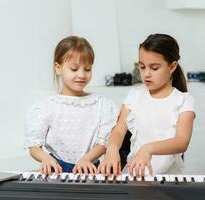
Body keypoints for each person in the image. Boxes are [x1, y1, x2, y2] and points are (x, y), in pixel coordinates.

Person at [98, 33, 195, 177]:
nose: (146, 74)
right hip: (136, 175)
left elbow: (182, 141)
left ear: (172, 66)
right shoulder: (135, 95)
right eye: (142, 67)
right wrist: (112, 149)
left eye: (154, 68)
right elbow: (119, 130)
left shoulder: (183, 100)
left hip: (169, 178)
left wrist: (148, 148)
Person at [24, 36, 117, 175]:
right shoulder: (47, 106)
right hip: (56, 171)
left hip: (90, 170)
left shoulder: (101, 105)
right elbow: (34, 147)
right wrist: (46, 159)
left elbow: (103, 143)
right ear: (58, 68)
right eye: (74, 69)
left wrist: (86, 159)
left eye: (87, 69)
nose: (81, 75)